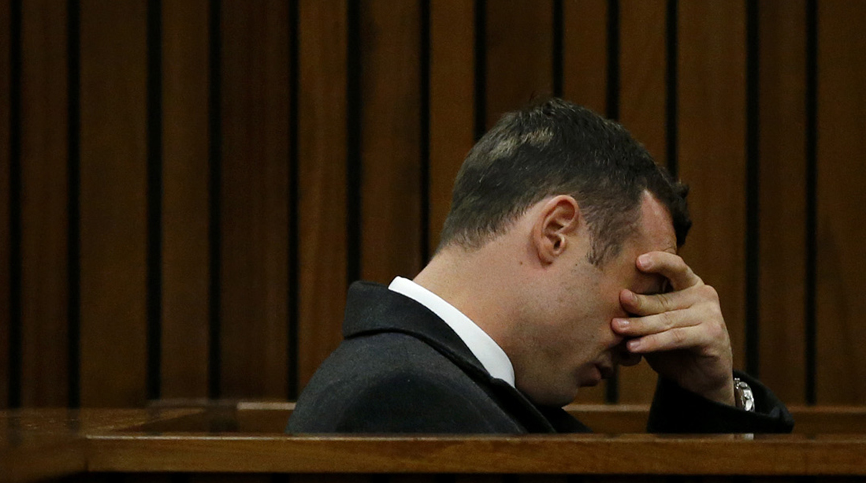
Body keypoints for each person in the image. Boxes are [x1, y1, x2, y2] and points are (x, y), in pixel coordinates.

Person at [286, 99, 794, 434]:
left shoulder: (447, 381)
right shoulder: (401, 399)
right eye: (643, 288)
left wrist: (705, 395)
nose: (636, 347)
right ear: (556, 232)